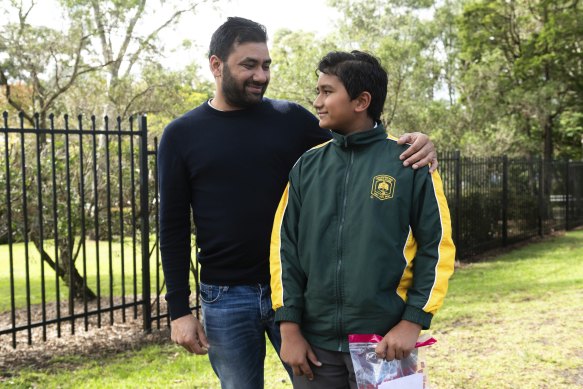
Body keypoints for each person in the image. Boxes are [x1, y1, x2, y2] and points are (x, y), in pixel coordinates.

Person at [158, 17, 439, 389]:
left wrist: (419, 142)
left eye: (266, 64)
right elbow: (172, 225)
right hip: (225, 296)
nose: (261, 75)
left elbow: (357, 137)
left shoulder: (290, 119)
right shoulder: (181, 135)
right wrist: (179, 309)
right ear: (216, 65)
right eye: (249, 65)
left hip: (302, 297)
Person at [269, 50, 456, 388]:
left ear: (361, 101)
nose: (317, 101)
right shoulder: (306, 167)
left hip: (386, 344)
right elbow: (284, 250)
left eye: (327, 91)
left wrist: (412, 322)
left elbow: (436, 246)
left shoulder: (408, 163)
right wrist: (289, 327)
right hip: (315, 347)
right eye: (318, 91)